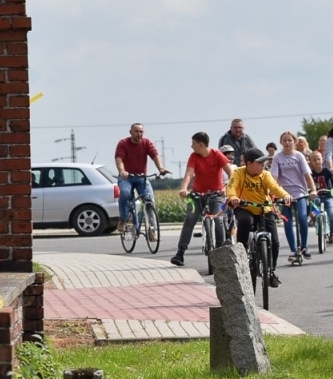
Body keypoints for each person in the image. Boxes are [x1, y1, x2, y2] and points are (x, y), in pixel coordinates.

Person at [225, 148, 287, 287]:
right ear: (249, 164)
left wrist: (285, 195)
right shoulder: (239, 172)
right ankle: (242, 256)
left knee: (275, 242)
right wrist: (233, 197)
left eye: (264, 162)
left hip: (264, 209)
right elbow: (231, 186)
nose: (263, 165)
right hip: (245, 207)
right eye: (259, 162)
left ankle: (271, 271)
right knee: (245, 221)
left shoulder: (265, 174)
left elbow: (275, 188)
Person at [172, 131, 232, 269]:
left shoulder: (217, 155)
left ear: (200, 144)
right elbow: (189, 174)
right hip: (197, 194)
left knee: (218, 219)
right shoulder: (193, 156)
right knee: (190, 219)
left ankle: (221, 253)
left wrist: (225, 187)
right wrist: (184, 188)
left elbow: (231, 174)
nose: (191, 146)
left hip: (216, 194)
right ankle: (180, 253)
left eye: (193, 143)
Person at [114, 123, 170, 234]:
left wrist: (161, 168)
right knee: (125, 194)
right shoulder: (123, 143)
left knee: (149, 199)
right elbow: (119, 159)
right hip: (127, 177)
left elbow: (155, 155)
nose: (139, 134)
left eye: (141, 132)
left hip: (141, 177)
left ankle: (152, 228)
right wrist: (122, 171)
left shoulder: (146, 143)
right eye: (136, 131)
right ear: (130, 132)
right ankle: (123, 219)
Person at [269, 130, 315, 265]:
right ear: (281, 142)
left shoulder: (299, 156)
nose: (287, 143)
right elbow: (274, 178)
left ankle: (304, 247)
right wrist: (273, 193)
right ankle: (294, 250)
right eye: (284, 140)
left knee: (302, 218)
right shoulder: (277, 158)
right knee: (287, 222)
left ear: (294, 142)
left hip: (300, 193)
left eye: (290, 140)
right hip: (285, 195)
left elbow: (307, 175)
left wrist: (313, 190)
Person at [308, 149, 333, 242]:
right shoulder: (310, 173)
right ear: (311, 162)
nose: (317, 161)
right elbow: (305, 183)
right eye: (314, 160)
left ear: (322, 160)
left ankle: (332, 233)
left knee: (332, 214)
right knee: (314, 211)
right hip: (316, 196)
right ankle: (315, 220)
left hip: (328, 196)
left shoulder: (326, 171)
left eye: (318, 159)